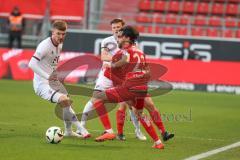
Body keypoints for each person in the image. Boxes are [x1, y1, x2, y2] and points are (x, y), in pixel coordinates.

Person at [91, 25, 164, 149]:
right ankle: (158, 142)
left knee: (97, 98)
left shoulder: (126, 50)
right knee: (139, 113)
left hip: (130, 87)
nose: (118, 40)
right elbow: (147, 71)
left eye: (120, 37)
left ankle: (109, 132)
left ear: (127, 38)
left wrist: (111, 65)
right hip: (142, 88)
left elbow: (126, 59)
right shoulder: (140, 51)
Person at [79, 18, 146, 141]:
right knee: (95, 98)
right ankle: (81, 126)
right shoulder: (107, 41)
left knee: (131, 104)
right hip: (107, 75)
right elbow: (103, 56)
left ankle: (138, 131)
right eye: (114, 28)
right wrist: (118, 60)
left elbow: (129, 59)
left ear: (123, 28)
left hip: (122, 77)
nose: (116, 30)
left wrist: (119, 61)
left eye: (118, 27)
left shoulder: (129, 42)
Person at [28, 20, 90, 138]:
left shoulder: (60, 44)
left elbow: (51, 63)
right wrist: (47, 76)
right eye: (58, 34)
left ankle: (68, 131)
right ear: (53, 32)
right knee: (64, 100)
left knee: (66, 101)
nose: (61, 37)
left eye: (63, 34)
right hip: (42, 84)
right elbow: (31, 64)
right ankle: (81, 129)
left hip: (53, 82)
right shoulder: (44, 46)